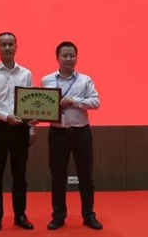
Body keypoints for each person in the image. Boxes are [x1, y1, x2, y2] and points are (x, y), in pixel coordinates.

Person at [41, 41, 103, 230]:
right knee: (57, 176)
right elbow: (42, 106)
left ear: (76, 57)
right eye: (64, 55)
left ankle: (88, 215)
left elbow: (95, 102)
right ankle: (58, 216)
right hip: (57, 133)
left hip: (81, 132)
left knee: (86, 176)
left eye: (72, 55)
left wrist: (74, 101)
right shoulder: (47, 80)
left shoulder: (85, 80)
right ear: (57, 58)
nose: (68, 59)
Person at [0, 32, 35, 232]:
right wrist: (6, 117)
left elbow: (30, 104)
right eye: (3, 44)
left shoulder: (26, 74)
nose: (7, 48)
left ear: (16, 46)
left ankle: (20, 215)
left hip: (21, 129)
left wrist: (31, 129)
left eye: (11, 44)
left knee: (20, 175)